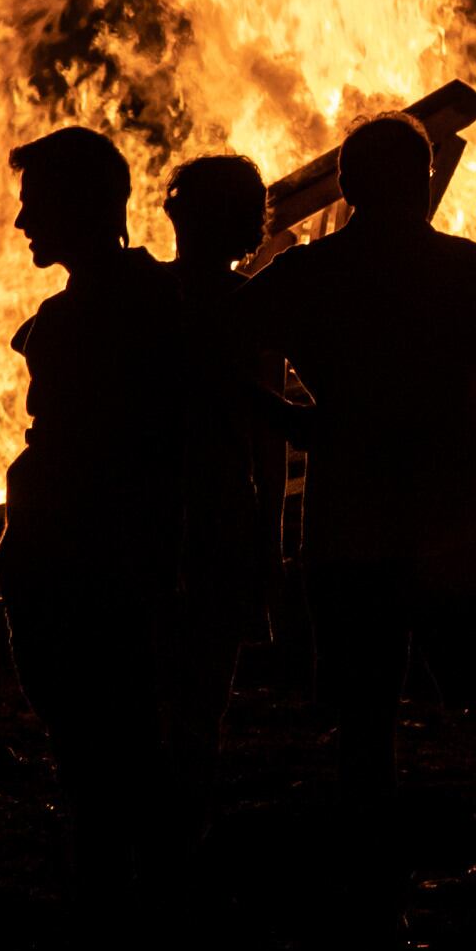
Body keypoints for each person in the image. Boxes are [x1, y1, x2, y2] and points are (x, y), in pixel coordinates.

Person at [244, 112, 476, 943]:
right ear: (422, 182)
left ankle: (374, 894)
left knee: (366, 716)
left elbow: (215, 349)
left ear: (346, 187)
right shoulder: (458, 267)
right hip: (451, 525)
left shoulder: (309, 273)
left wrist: (290, 418)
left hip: (351, 531)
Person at [0, 127, 198, 918]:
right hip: (83, 556)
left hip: (87, 562)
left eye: (35, 204)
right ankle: (133, 904)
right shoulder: (134, 300)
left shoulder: (112, 312)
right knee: (108, 747)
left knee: (102, 748)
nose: (23, 224)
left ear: (82, 204)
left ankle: (123, 914)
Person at [162, 153, 281, 853]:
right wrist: (268, 539)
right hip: (215, 516)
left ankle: (157, 846)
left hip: (153, 516)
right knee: (199, 703)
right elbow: (270, 439)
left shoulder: (144, 295)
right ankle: (183, 837)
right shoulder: (249, 304)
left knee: (152, 695)